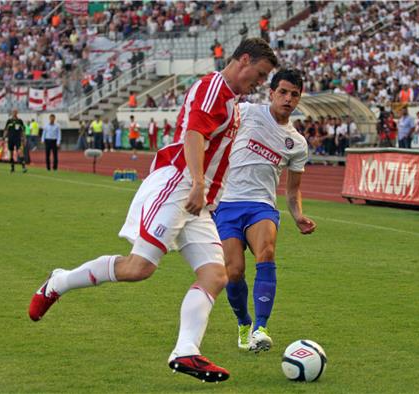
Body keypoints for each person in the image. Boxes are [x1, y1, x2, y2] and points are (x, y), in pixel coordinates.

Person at [28, 37, 277, 383]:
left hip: (197, 200)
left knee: (215, 275)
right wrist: (197, 182)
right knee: (138, 267)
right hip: (178, 186)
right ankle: (59, 281)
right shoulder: (213, 89)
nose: (261, 83)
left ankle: (186, 351)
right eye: (261, 74)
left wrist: (203, 190)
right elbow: (193, 135)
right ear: (244, 59)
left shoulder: (231, 102)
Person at [214, 69, 315, 353]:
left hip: (261, 206)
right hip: (228, 204)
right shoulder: (246, 112)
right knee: (233, 272)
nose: (288, 98)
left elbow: (293, 191)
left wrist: (298, 216)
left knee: (267, 253)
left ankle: (261, 327)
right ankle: (244, 322)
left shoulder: (296, 143)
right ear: (271, 93)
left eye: (294, 94)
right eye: (283, 92)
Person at [2, 109, 27, 173]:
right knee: (11, 153)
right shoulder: (9, 121)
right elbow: (6, 130)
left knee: (20, 151)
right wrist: (3, 137)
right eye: (13, 112)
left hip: (17, 139)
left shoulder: (20, 121)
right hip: (10, 139)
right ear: (12, 113)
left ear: (17, 113)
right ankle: (12, 167)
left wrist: (24, 139)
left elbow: (23, 131)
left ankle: (24, 166)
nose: (14, 113)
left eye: (16, 112)